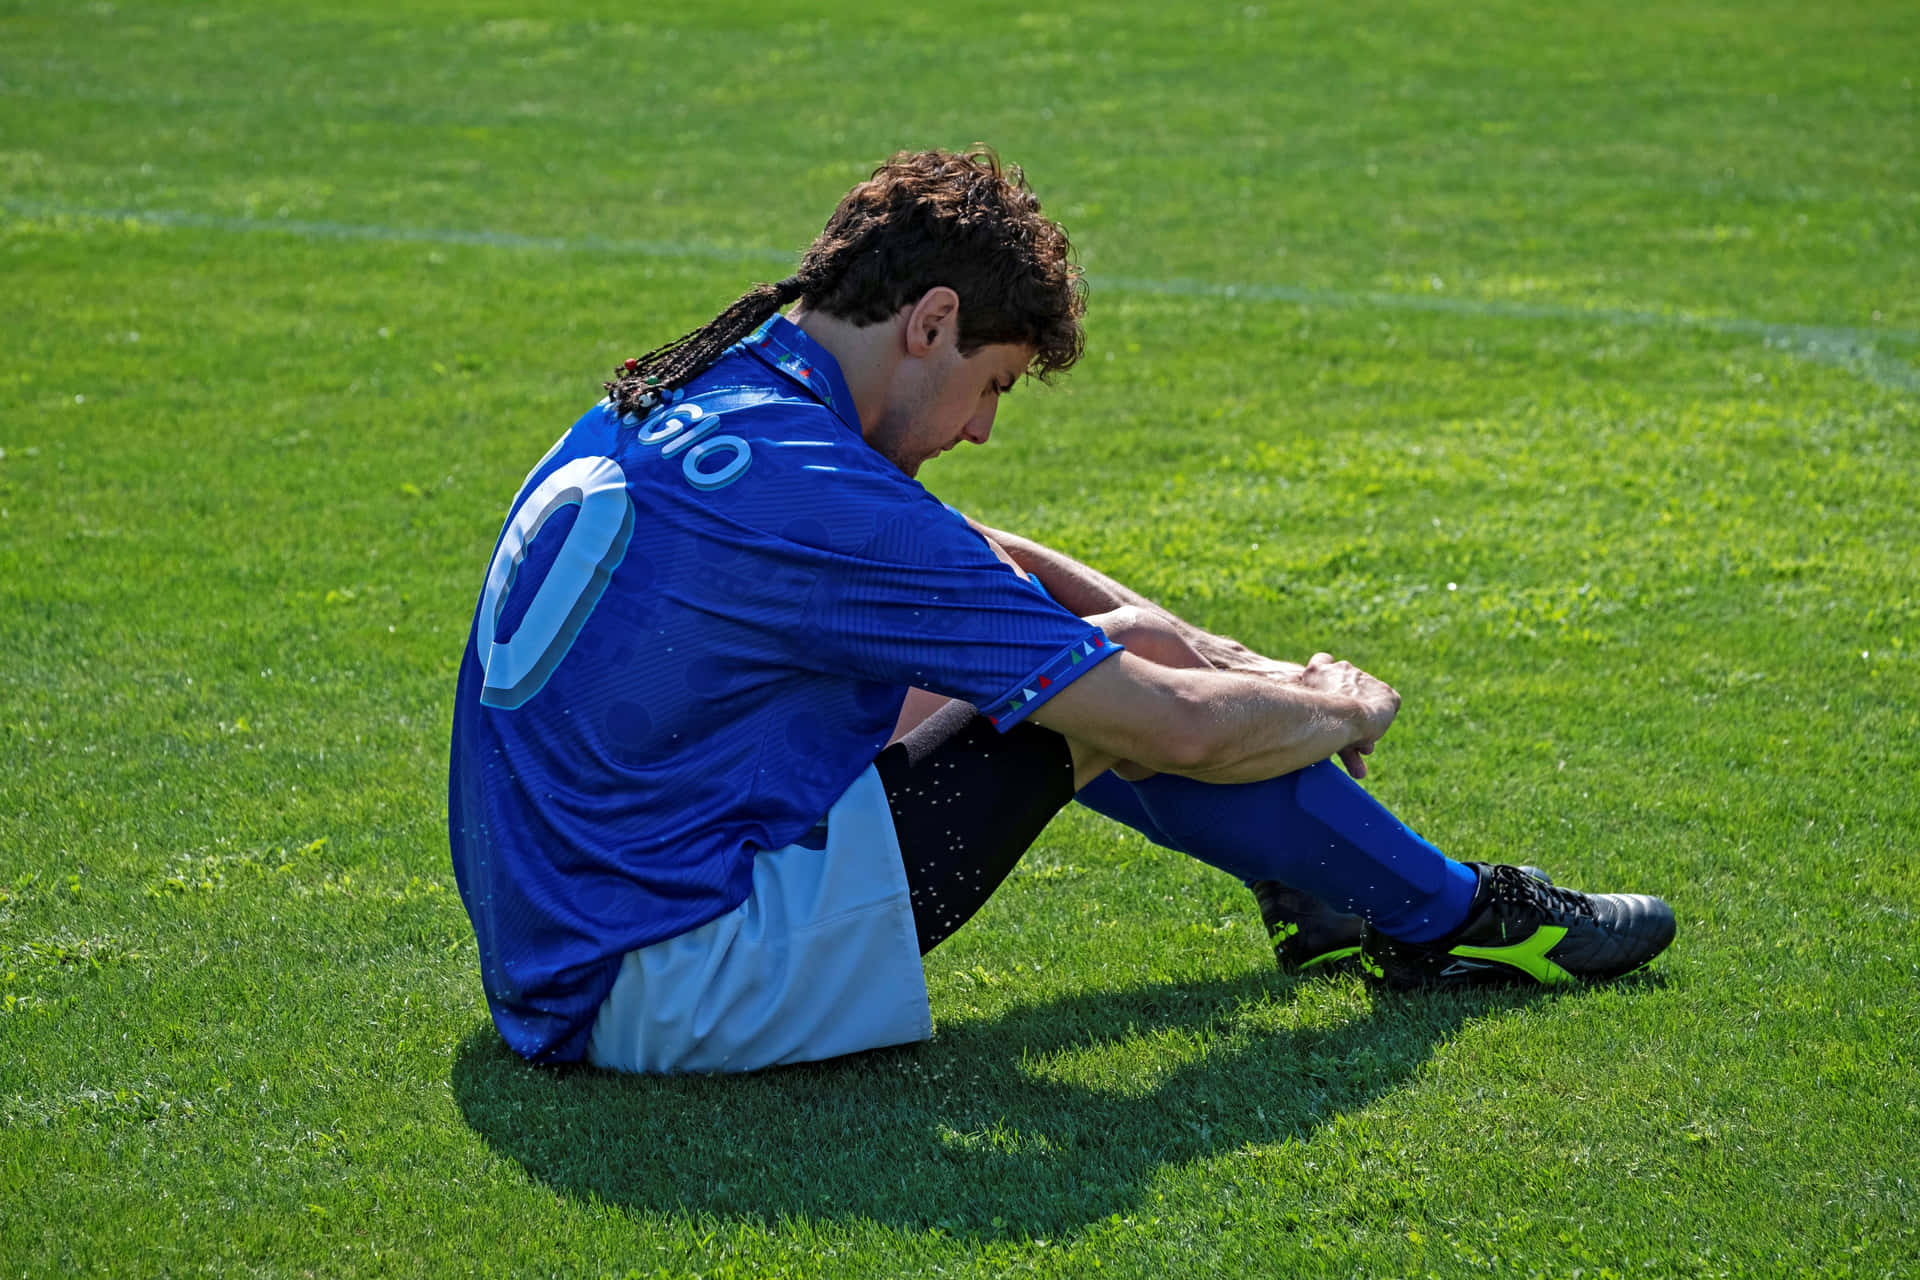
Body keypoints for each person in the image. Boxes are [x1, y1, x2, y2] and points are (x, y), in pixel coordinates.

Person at [448, 148, 1674, 1074]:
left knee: (1093, 654)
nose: (983, 425)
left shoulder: (730, 385)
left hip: (562, 925)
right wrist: (1340, 701)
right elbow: (1170, 726)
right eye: (990, 385)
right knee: (1102, 703)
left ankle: (1346, 894)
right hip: (653, 980)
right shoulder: (819, 498)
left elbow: (972, 556)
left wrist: (1210, 646)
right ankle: (1458, 916)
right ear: (930, 322)